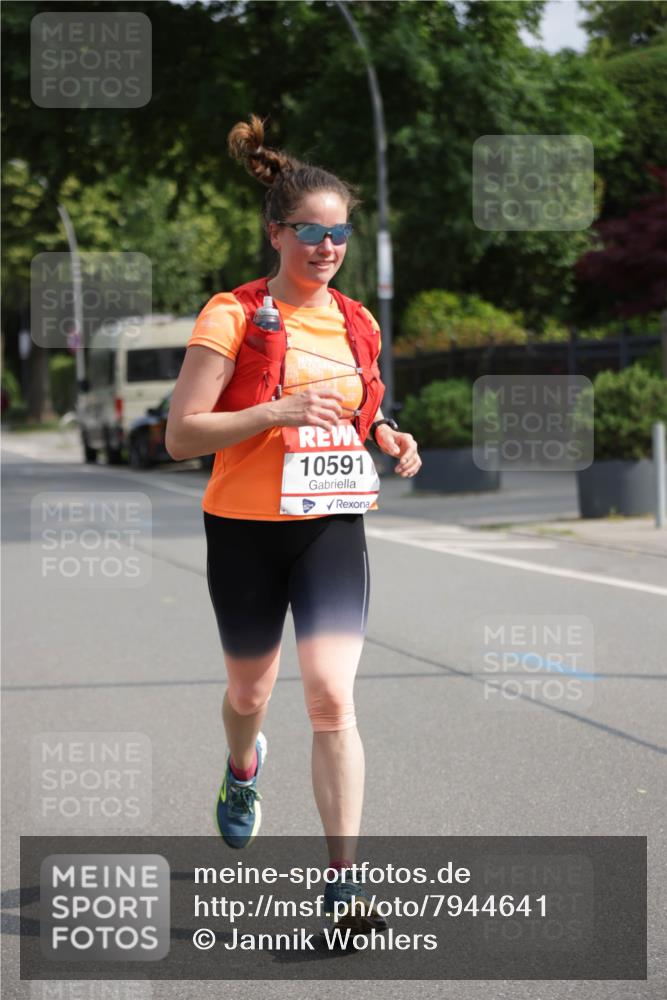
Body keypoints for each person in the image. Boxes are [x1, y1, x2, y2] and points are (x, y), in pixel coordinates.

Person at [166, 114, 421, 933]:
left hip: (329, 526)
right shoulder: (230, 315)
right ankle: (242, 768)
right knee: (250, 691)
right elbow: (178, 437)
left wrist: (386, 433)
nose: (326, 246)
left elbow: (360, 409)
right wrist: (273, 409)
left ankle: (343, 887)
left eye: (339, 233)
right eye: (310, 231)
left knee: (329, 698)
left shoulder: (359, 323)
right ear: (277, 233)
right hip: (242, 526)